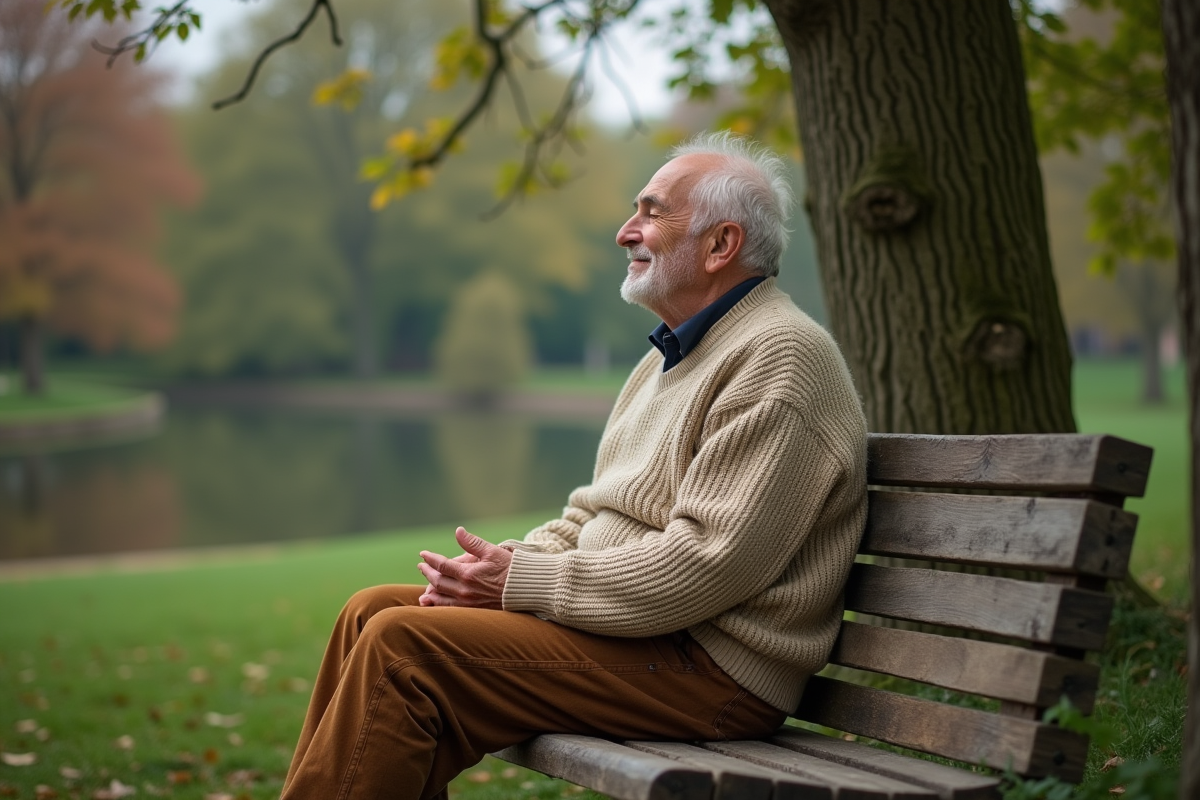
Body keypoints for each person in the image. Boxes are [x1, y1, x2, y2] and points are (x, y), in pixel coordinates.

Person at [280, 132, 868, 800]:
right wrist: (500, 566)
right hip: (643, 640)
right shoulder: (668, 357)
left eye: (651, 212)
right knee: (371, 612)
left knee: (404, 648)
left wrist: (521, 582)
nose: (626, 231)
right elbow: (595, 514)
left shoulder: (780, 358)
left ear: (720, 245)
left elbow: (706, 564)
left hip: (710, 672)